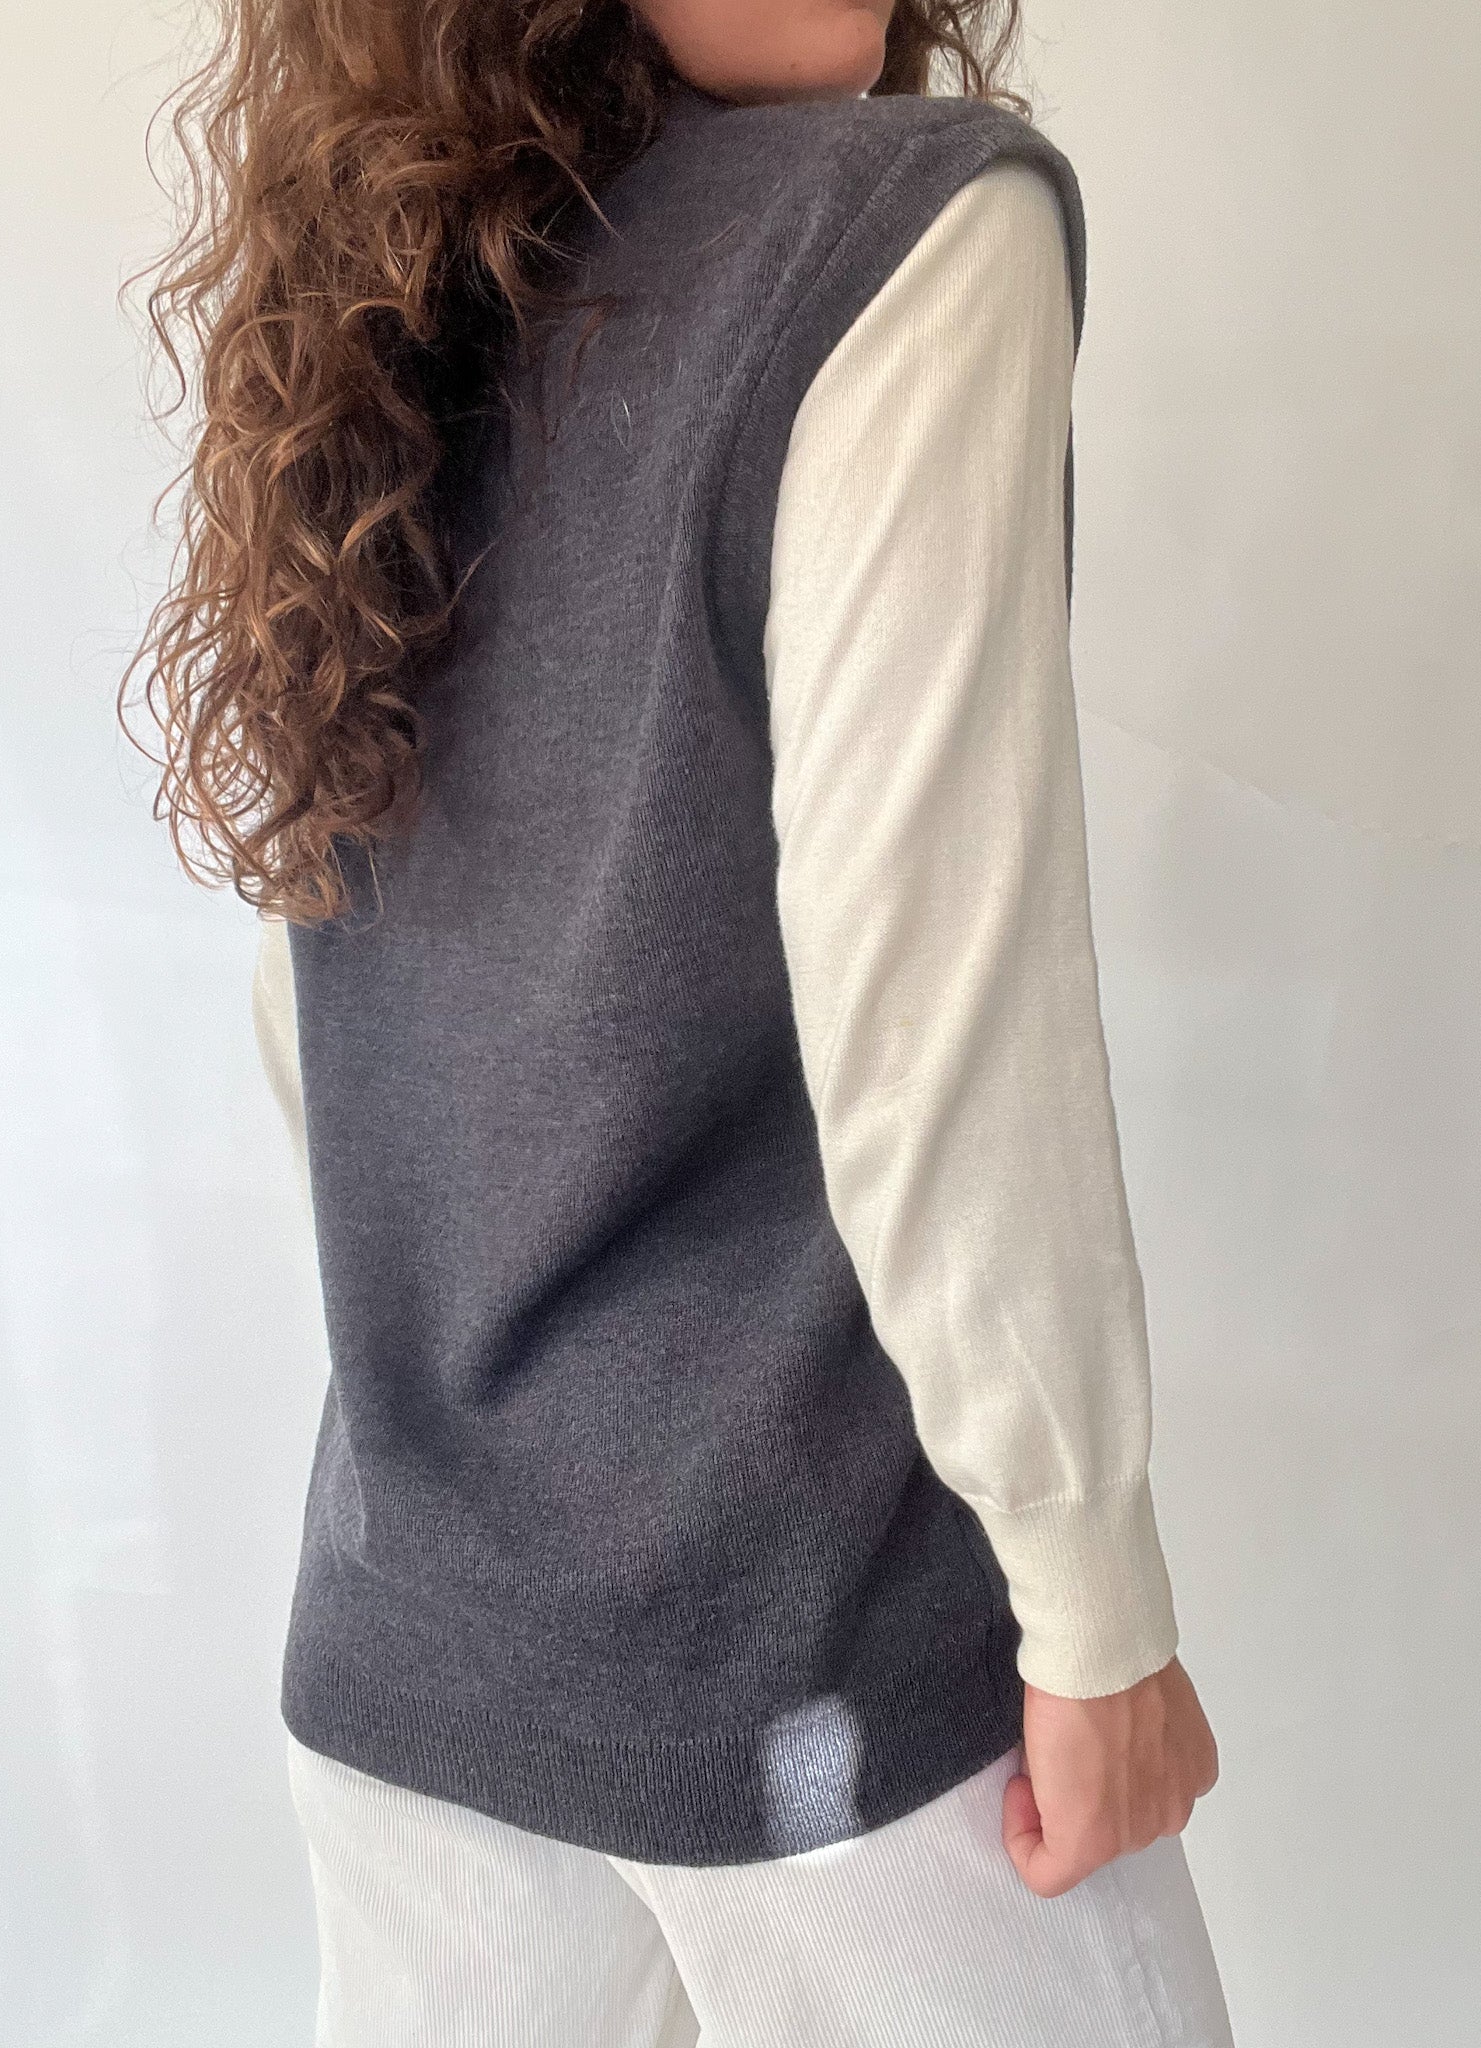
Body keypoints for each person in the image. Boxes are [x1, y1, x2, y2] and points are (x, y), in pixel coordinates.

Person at [126, 0, 1232, 2040]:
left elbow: (313, 1013)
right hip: (814, 1647)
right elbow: (941, 1000)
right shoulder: (911, 230)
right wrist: (1092, 1605)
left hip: (412, 1622)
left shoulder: (382, 293)